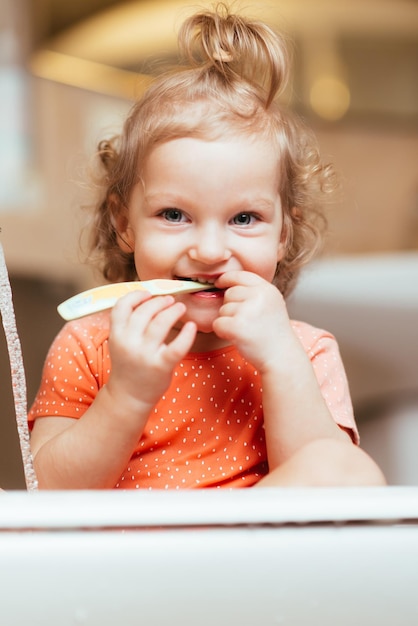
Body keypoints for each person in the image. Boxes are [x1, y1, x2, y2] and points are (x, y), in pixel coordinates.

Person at [28, 4, 385, 489]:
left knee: (350, 470)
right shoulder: (89, 346)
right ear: (124, 224)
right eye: (174, 215)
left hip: (250, 556)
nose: (211, 250)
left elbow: (323, 488)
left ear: (282, 235)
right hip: (129, 557)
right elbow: (47, 491)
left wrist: (280, 361)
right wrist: (127, 394)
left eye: (244, 218)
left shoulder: (305, 350)